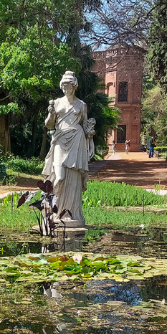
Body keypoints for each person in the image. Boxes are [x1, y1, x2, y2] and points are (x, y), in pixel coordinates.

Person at [42, 70, 94, 227]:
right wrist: (51, 114)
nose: (66, 88)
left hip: (77, 141)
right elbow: (49, 124)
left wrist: (90, 133)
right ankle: (50, 208)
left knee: (74, 178)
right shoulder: (56, 103)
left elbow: (85, 126)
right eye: (63, 85)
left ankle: (72, 213)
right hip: (60, 140)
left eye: (69, 85)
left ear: (74, 86)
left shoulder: (81, 105)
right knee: (59, 176)